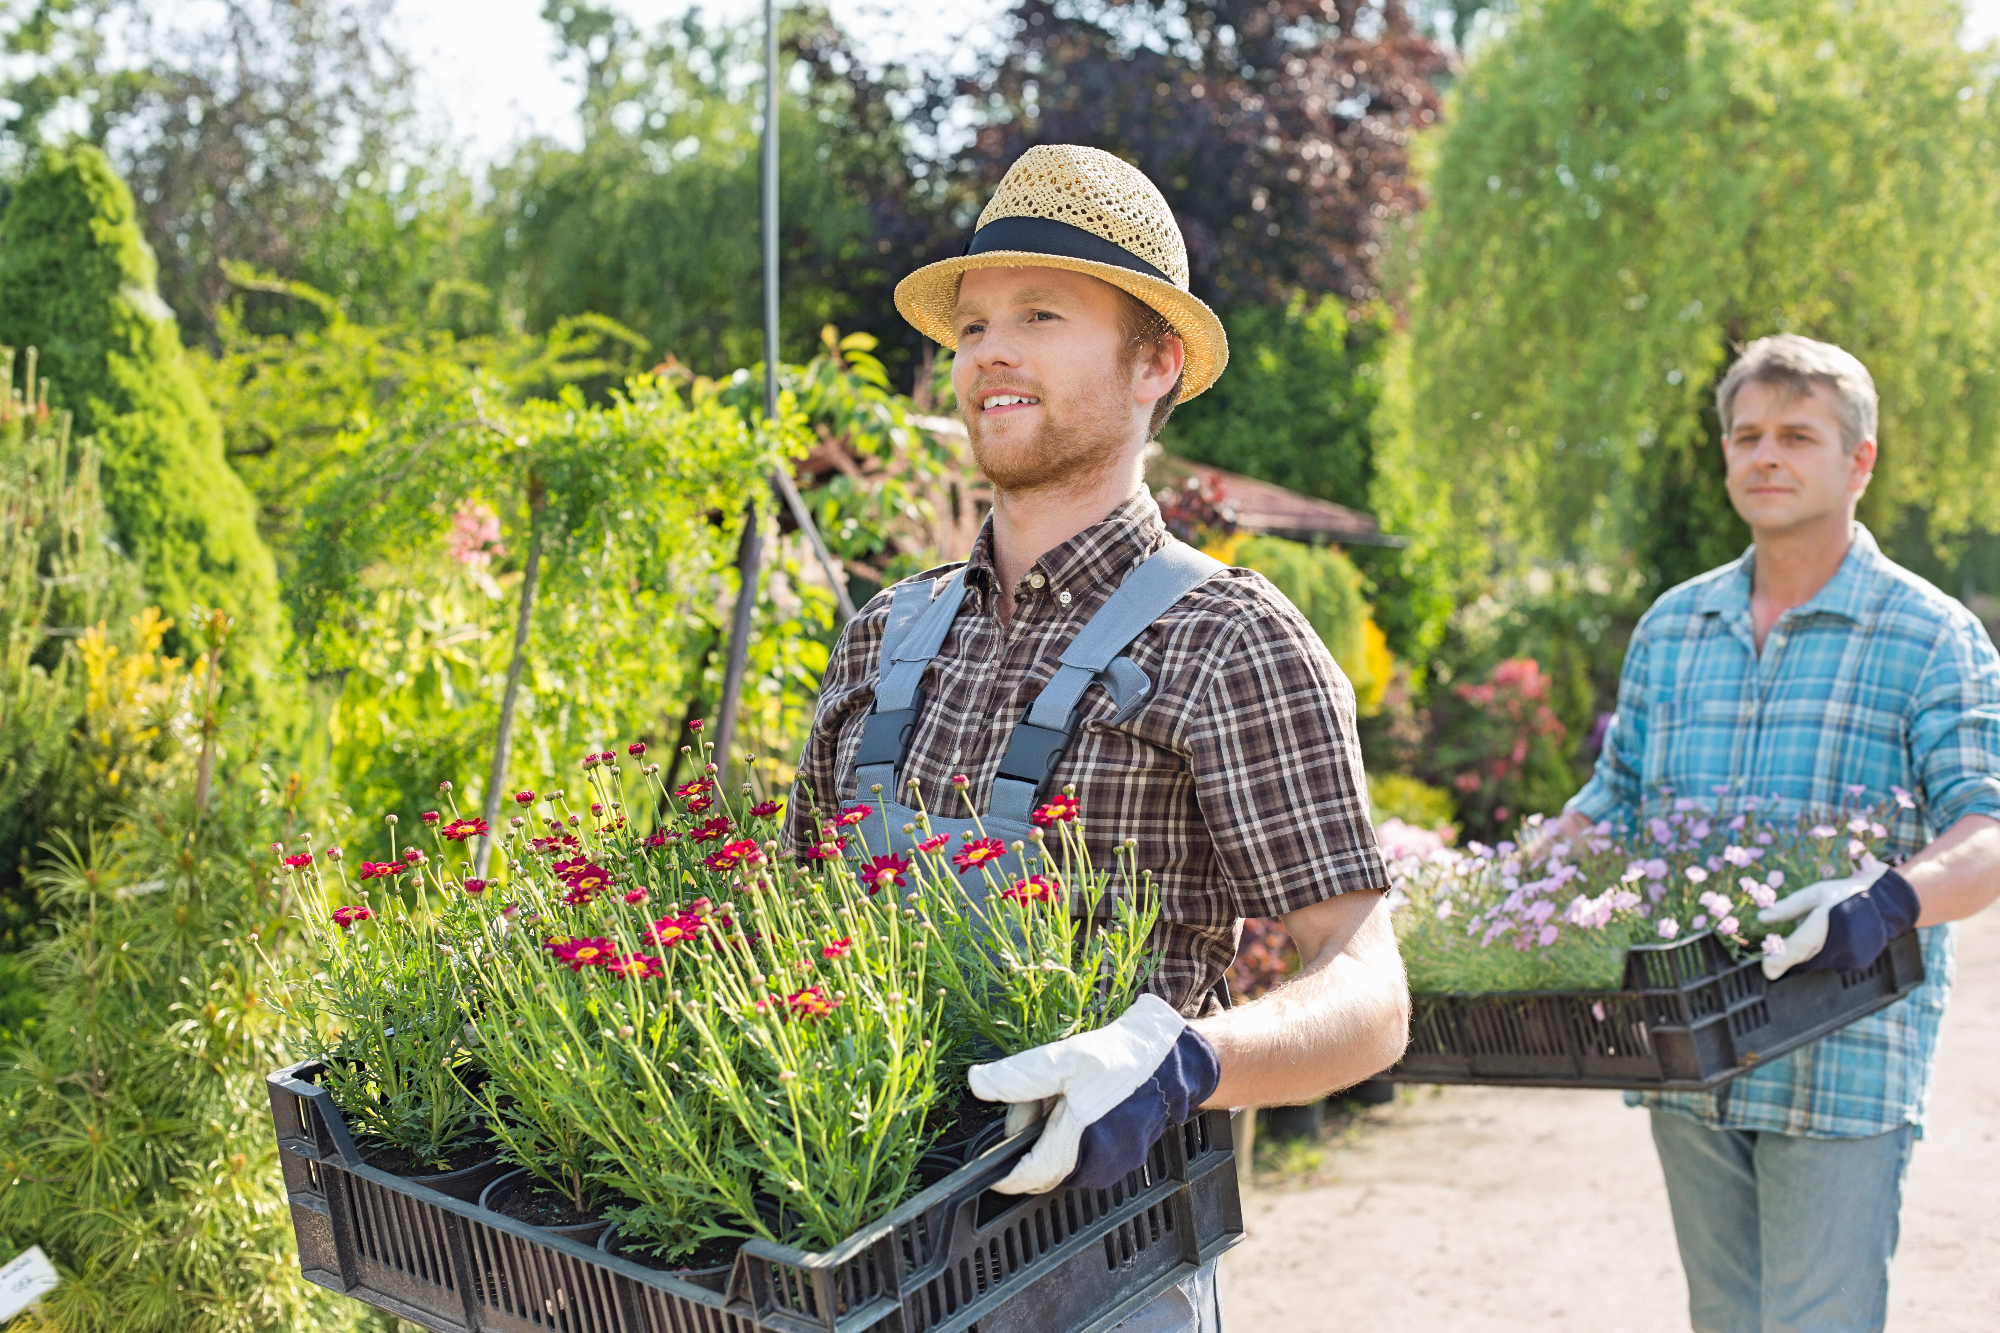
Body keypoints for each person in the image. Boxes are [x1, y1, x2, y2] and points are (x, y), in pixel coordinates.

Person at [783, 144, 1409, 1332]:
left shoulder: (1228, 639)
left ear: (1153, 363)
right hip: (859, 1257)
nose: (989, 352)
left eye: (1039, 314)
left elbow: (1369, 992)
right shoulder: (883, 634)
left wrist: (1180, 1062)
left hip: (1102, 1270)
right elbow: (791, 925)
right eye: (970, 327)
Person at [1539, 334, 2000, 1333]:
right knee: (1722, 1320)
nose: (1764, 455)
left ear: (1858, 460)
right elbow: (1613, 797)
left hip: (1842, 1058)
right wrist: (1497, 892)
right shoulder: (1673, 626)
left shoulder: (1927, 635)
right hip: (1686, 1052)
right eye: (1745, 435)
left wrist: (1883, 902)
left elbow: (1986, 825)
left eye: (1796, 435)